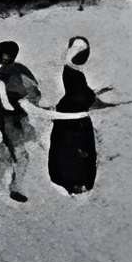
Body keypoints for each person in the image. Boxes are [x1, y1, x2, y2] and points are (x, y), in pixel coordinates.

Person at [0, 39, 43, 203]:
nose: (6, 58)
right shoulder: (2, 76)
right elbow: (4, 102)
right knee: (21, 156)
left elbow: (33, 88)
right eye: (3, 55)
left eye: (8, 54)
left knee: (7, 152)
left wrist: (30, 102)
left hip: (20, 119)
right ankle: (16, 188)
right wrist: (22, 106)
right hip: (10, 121)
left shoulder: (18, 70)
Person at [47, 35, 108, 196]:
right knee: (76, 150)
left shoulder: (71, 70)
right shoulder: (72, 71)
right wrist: (96, 100)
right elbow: (81, 95)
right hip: (74, 119)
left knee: (70, 150)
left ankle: (71, 181)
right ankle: (75, 182)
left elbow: (82, 92)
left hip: (70, 115)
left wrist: (96, 95)